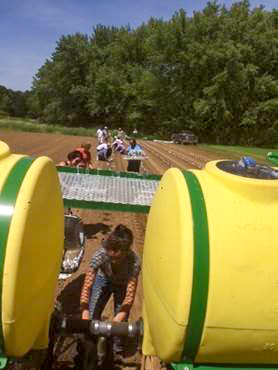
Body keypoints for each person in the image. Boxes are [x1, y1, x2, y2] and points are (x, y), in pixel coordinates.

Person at [80, 224, 140, 351]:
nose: (113, 261)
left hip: (122, 284)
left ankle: (116, 346)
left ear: (127, 251)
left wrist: (114, 323)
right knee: (92, 311)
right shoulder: (99, 255)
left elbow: (128, 298)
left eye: (117, 258)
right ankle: (89, 341)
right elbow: (87, 287)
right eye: (110, 257)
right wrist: (85, 313)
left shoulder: (134, 262)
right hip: (103, 279)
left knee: (121, 317)